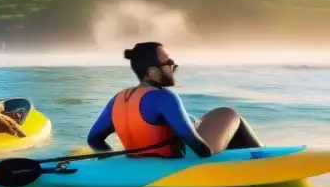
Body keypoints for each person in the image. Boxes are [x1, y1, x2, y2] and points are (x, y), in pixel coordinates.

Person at [87, 41, 262, 158]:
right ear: (152, 72)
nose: (174, 68)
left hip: (138, 161)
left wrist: (111, 163)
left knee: (202, 120)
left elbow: (94, 139)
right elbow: (191, 140)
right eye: (169, 64)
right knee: (229, 115)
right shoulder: (164, 97)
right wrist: (211, 161)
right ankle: (263, 157)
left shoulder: (117, 99)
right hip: (174, 161)